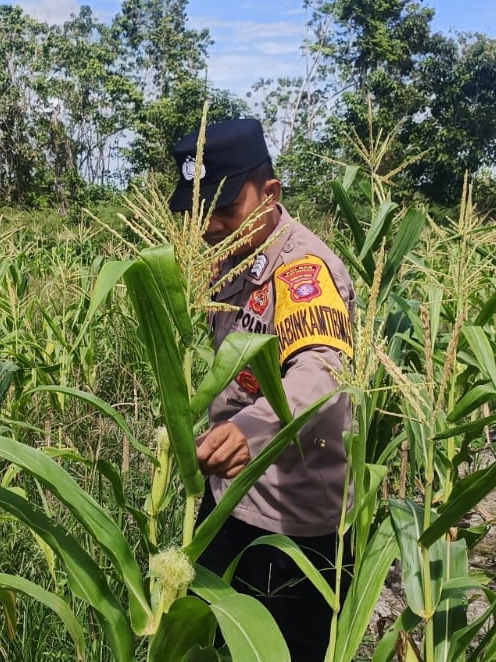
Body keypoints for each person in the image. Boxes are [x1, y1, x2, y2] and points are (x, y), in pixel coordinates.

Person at [171, 119, 354, 661]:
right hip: (226, 498)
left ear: (270, 193)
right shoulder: (230, 257)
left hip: (291, 525)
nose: (209, 226)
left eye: (226, 209)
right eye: (198, 212)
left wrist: (249, 430)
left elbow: (321, 369)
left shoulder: (303, 268)